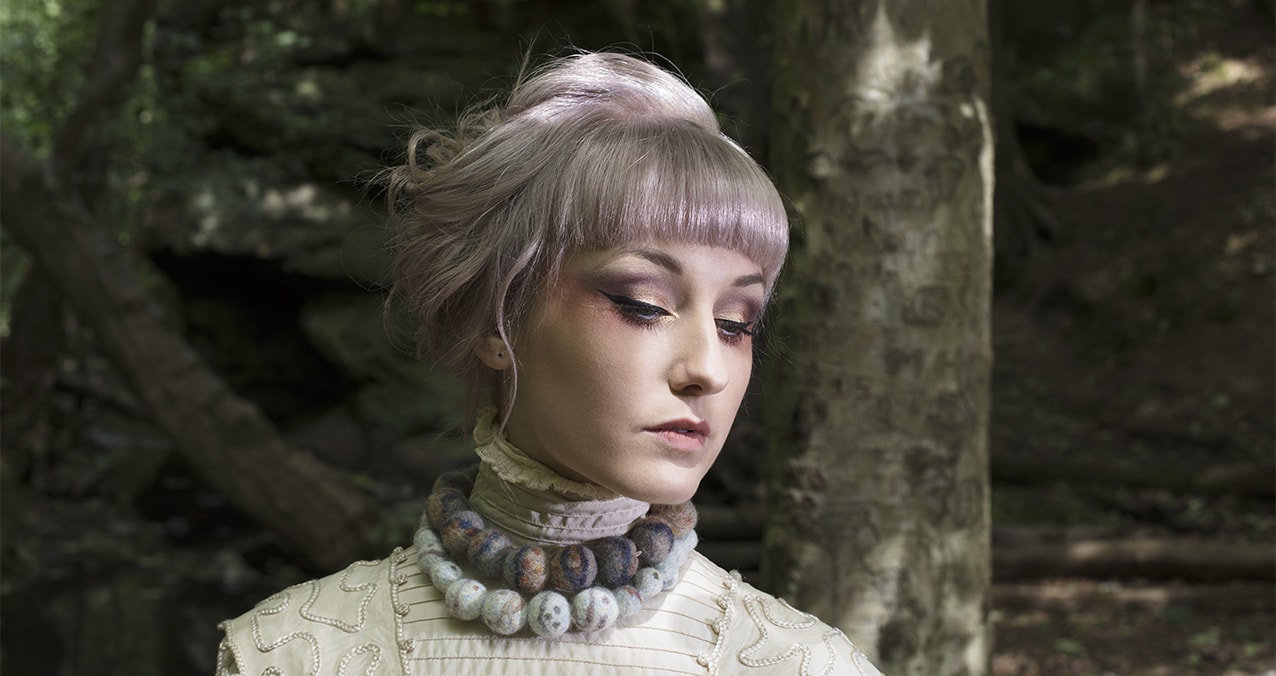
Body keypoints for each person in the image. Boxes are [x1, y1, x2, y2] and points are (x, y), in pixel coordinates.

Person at [215, 51, 883, 676]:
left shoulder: (804, 664)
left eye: (737, 322)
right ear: (494, 318)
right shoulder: (292, 653)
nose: (706, 368)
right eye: (643, 305)